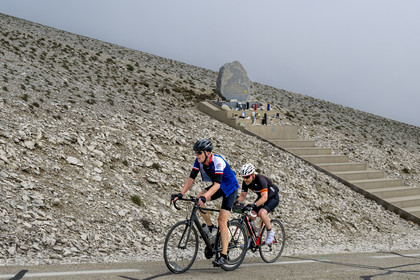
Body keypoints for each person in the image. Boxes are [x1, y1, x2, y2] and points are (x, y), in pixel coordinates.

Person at [172, 139, 239, 267]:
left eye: (199, 153)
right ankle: (210, 227)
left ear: (207, 153)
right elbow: (191, 178)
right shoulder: (199, 161)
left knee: (222, 220)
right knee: (198, 198)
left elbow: (217, 184)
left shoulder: (217, 161)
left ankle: (224, 255)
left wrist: (205, 197)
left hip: (230, 188)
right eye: (196, 153)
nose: (197, 155)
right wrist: (181, 194)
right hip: (217, 186)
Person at [236, 163, 279, 245]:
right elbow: (242, 196)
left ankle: (270, 232)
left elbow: (265, 198)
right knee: (250, 215)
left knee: (262, 213)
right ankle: (250, 240)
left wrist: (254, 205)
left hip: (272, 197)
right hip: (262, 197)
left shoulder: (260, 179)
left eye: (247, 177)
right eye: (243, 177)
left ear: (253, 174)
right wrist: (236, 202)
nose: (245, 179)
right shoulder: (245, 182)